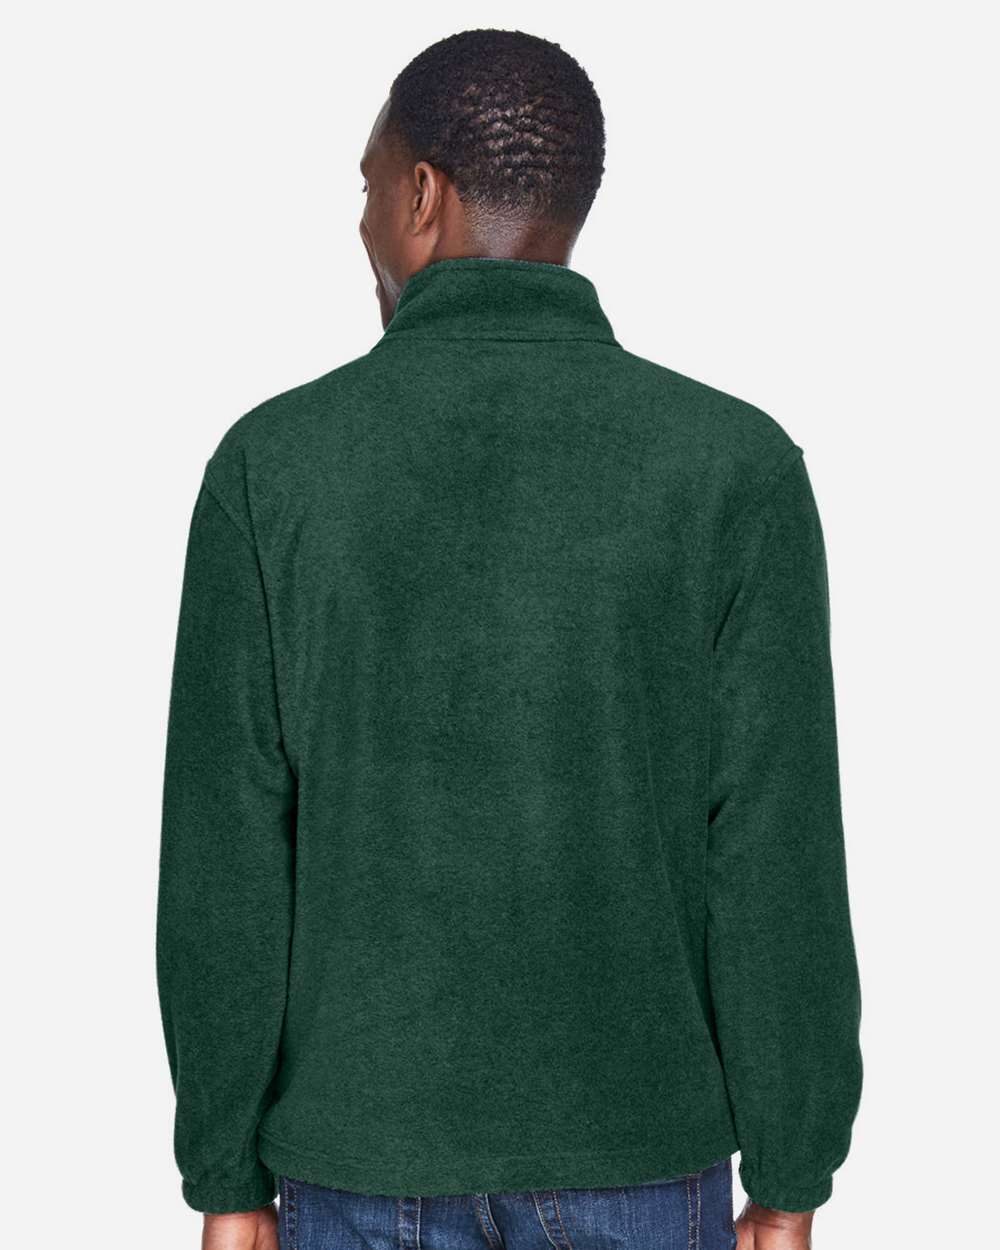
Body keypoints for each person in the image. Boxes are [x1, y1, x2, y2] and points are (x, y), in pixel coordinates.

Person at [156, 27, 863, 1250]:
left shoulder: (273, 467)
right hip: (639, 1154)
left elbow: (227, 850)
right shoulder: (733, 468)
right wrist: (793, 1167)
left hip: (356, 1156)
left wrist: (224, 1171)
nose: (362, 219)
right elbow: (772, 847)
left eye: (369, 184)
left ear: (422, 195)